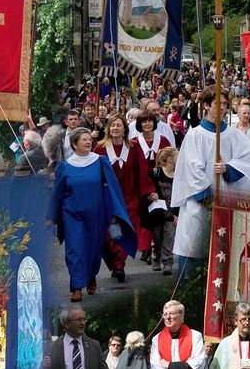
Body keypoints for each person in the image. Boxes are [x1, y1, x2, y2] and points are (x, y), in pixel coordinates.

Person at [170, 88, 250, 277]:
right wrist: (208, 200)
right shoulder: (195, 135)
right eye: (216, 104)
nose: (221, 108)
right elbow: (191, 170)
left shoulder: (233, 135)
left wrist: (228, 168)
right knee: (194, 251)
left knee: (224, 255)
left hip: (226, 203)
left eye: (224, 104)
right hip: (201, 205)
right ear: (206, 106)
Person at [48, 128, 136, 302]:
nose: (88, 142)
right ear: (74, 144)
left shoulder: (101, 162)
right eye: (84, 140)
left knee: (94, 249)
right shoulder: (64, 167)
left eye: (89, 139)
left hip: (97, 214)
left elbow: (112, 189)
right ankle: (76, 287)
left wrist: (114, 212)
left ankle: (90, 275)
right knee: (74, 250)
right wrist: (50, 217)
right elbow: (57, 193)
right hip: (72, 215)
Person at [94, 114, 155, 282]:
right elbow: (94, 174)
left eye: (119, 125)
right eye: (112, 125)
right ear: (108, 129)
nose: (115, 128)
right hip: (109, 197)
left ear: (125, 129)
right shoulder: (99, 148)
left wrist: (148, 191)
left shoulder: (134, 147)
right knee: (111, 231)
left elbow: (142, 172)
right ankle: (116, 262)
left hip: (130, 196)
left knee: (126, 228)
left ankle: (120, 264)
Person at [148, 147, 177, 275]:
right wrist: (151, 195)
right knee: (157, 235)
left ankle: (167, 263)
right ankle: (156, 257)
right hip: (158, 210)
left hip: (173, 210)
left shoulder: (179, 174)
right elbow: (149, 188)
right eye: (177, 156)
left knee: (169, 236)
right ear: (170, 159)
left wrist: (177, 213)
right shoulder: (156, 172)